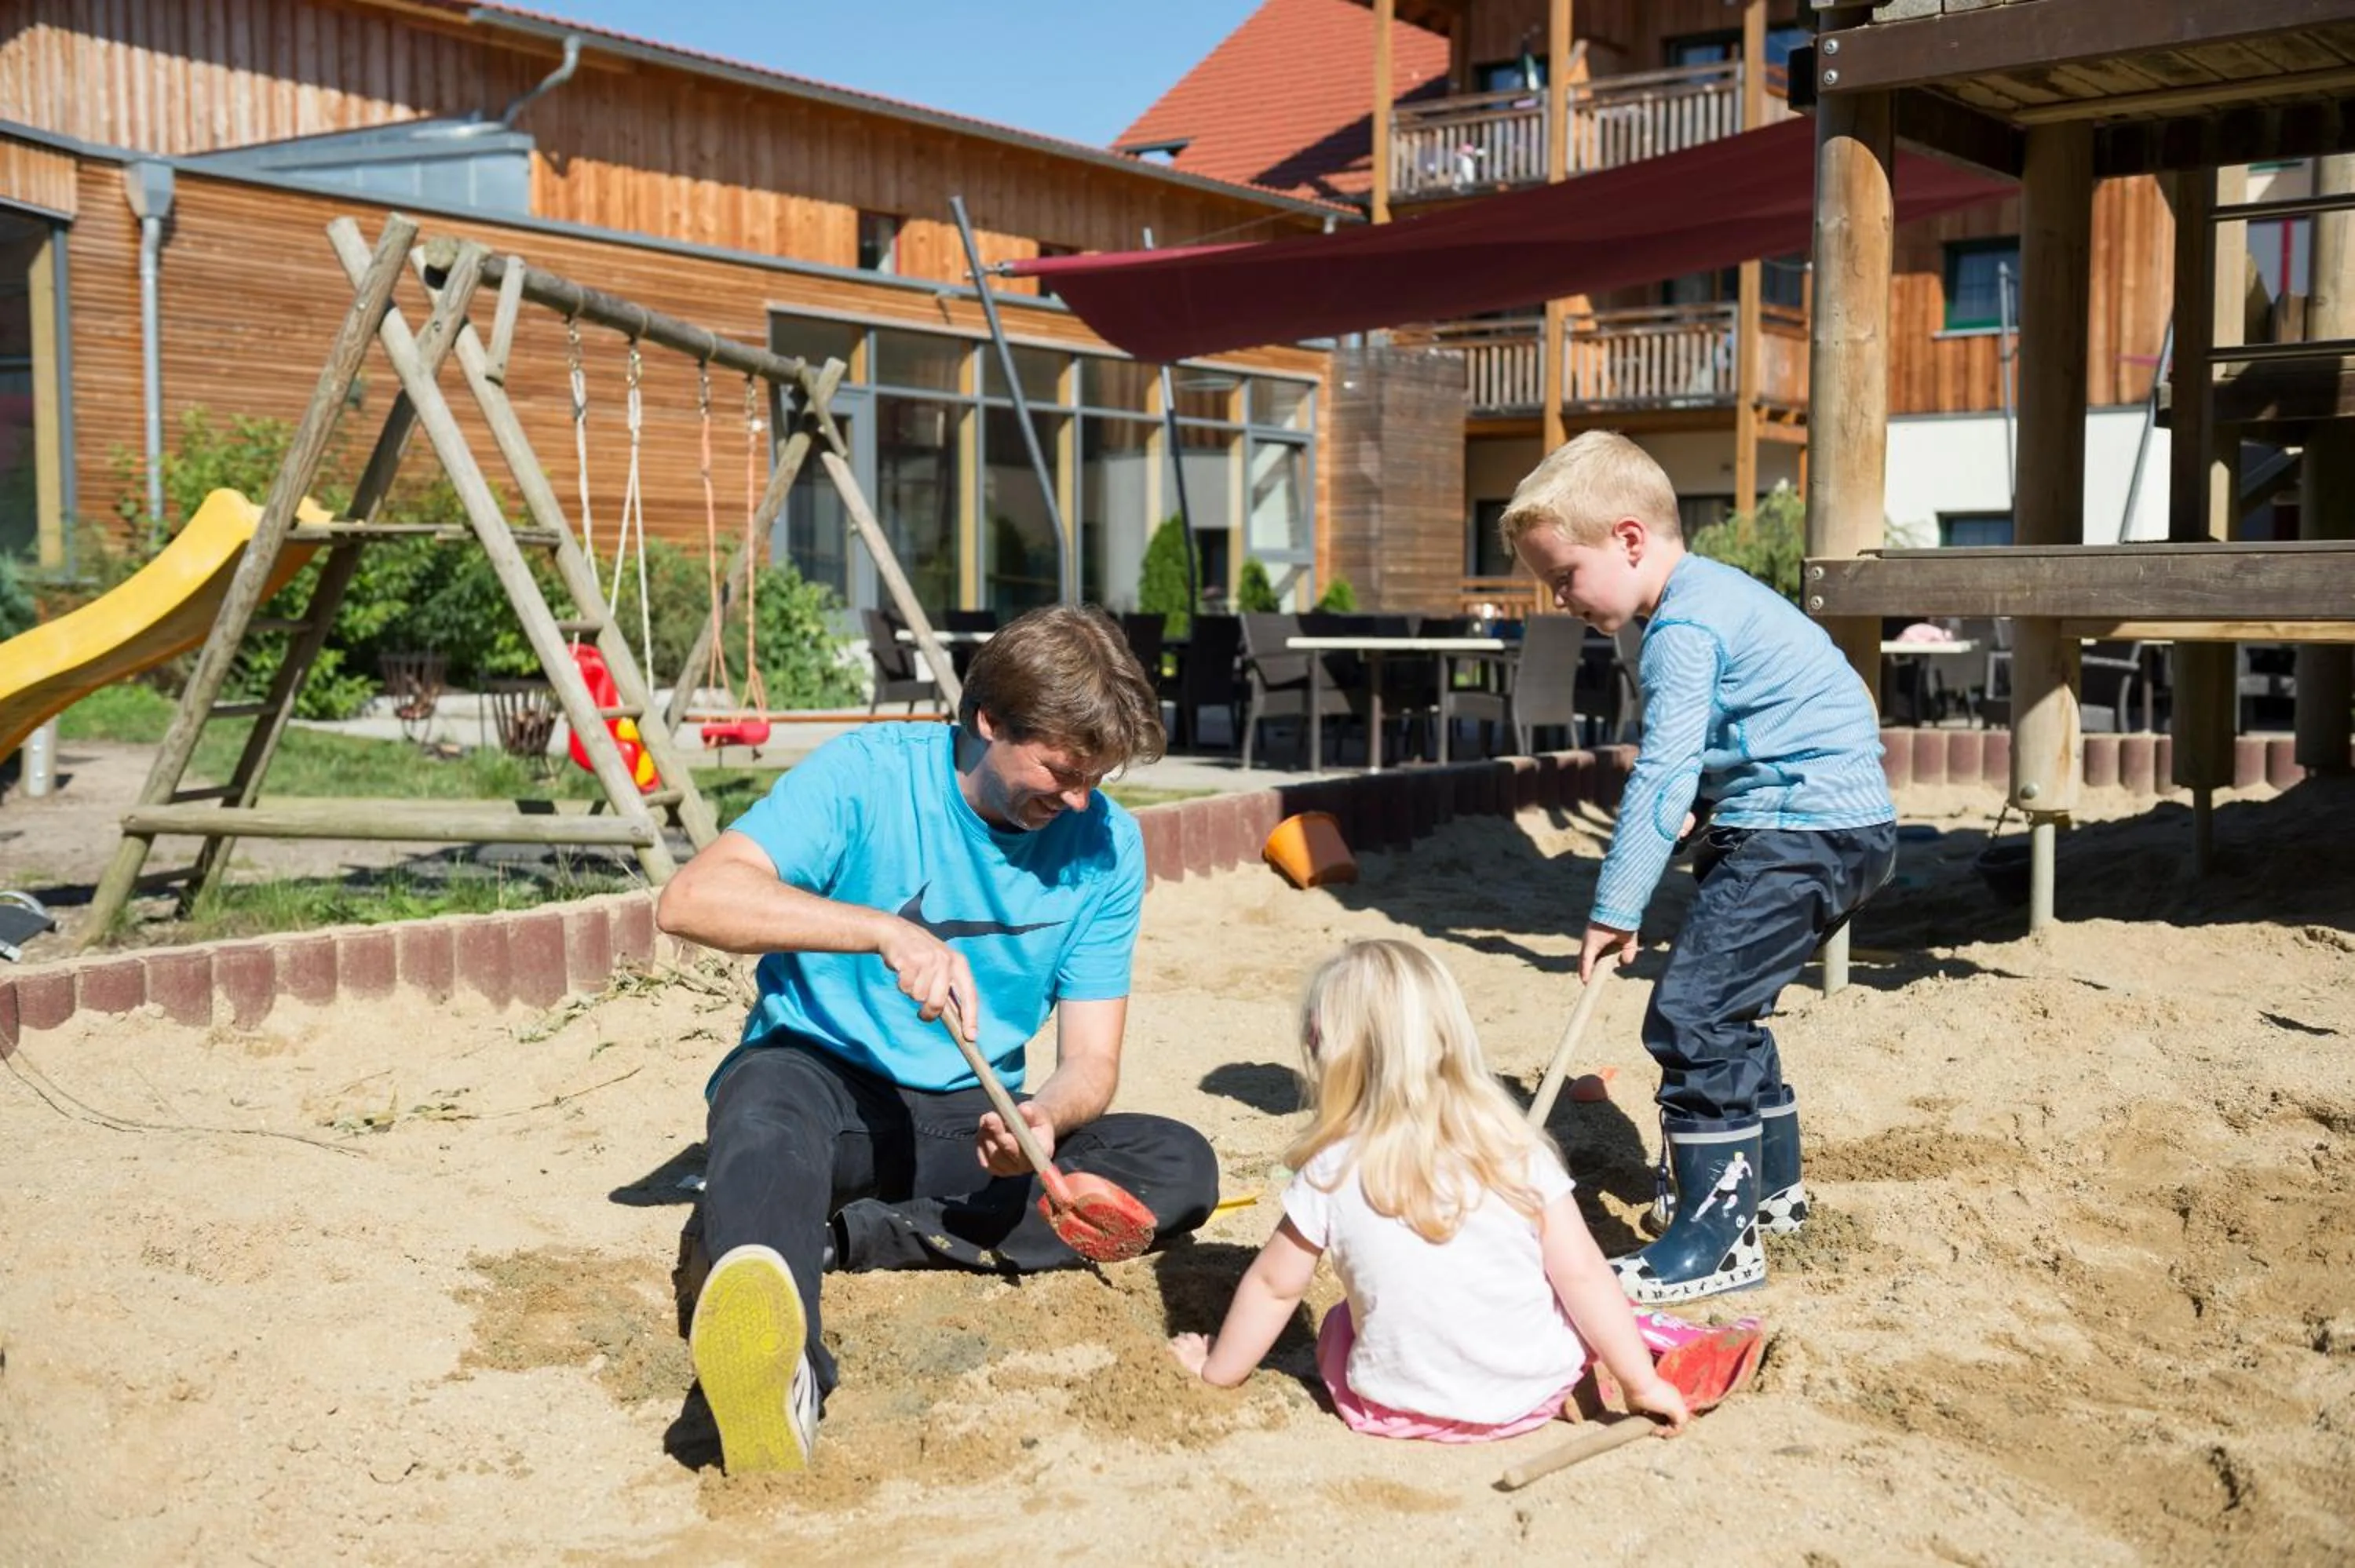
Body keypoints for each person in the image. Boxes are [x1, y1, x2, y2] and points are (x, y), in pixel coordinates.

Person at [656, 603, 1220, 1475]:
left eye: (1094, 779)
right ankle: (779, 1372)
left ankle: (841, 1238)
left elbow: (1093, 1062)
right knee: (763, 1125)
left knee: (1177, 1164)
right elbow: (691, 900)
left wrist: (1043, 1115)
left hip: (968, 1128)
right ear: (988, 721)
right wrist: (883, 931)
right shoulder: (867, 775)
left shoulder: (1108, 844)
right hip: (824, 1083)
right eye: (1061, 772)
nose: (1076, 801)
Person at [1498, 432, 1897, 1304]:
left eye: (1565, 576)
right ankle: (1773, 1195)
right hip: (1842, 822)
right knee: (1732, 1006)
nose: (1562, 600)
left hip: (1798, 833)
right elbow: (1768, 726)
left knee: (1692, 1018)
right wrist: (1710, 799)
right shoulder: (1719, 597)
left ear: (1629, 540)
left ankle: (1717, 1241)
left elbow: (1663, 768)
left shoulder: (1682, 625)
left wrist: (1616, 908)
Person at [1169, 939, 1692, 1442]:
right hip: (1530, 1400)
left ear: (1322, 1050)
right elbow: (1582, 1273)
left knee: (1334, 1325)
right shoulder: (1517, 1151)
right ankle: (1602, 1367)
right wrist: (1641, 1385)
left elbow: (1274, 1287)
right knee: (1556, 1289)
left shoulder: (1330, 1168)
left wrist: (1217, 1371)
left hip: (1390, 1409)